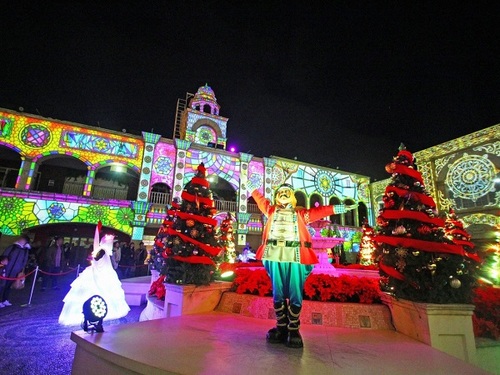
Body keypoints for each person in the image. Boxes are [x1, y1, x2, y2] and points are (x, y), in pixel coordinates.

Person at [250, 183, 353, 348]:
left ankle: (293, 329)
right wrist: (250, 186)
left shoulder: (300, 214)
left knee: (295, 291)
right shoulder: (270, 210)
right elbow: (259, 199)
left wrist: (338, 208)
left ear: (292, 196)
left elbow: (319, 211)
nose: (283, 194)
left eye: (286, 192)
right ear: (276, 196)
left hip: (296, 256)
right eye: (280, 192)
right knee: (278, 291)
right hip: (274, 254)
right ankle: (281, 327)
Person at [59, 224, 130, 325]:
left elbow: (96, 254)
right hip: (99, 274)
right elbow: (96, 255)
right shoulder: (102, 250)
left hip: (103, 273)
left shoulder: (103, 250)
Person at [1, 234, 31, 307]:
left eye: (22, 239)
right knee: (2, 285)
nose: (21, 240)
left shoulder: (25, 250)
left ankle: (5, 299)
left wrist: (21, 270)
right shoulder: (12, 247)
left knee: (9, 286)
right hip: (6, 269)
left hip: (15, 271)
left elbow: (24, 260)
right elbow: (4, 256)